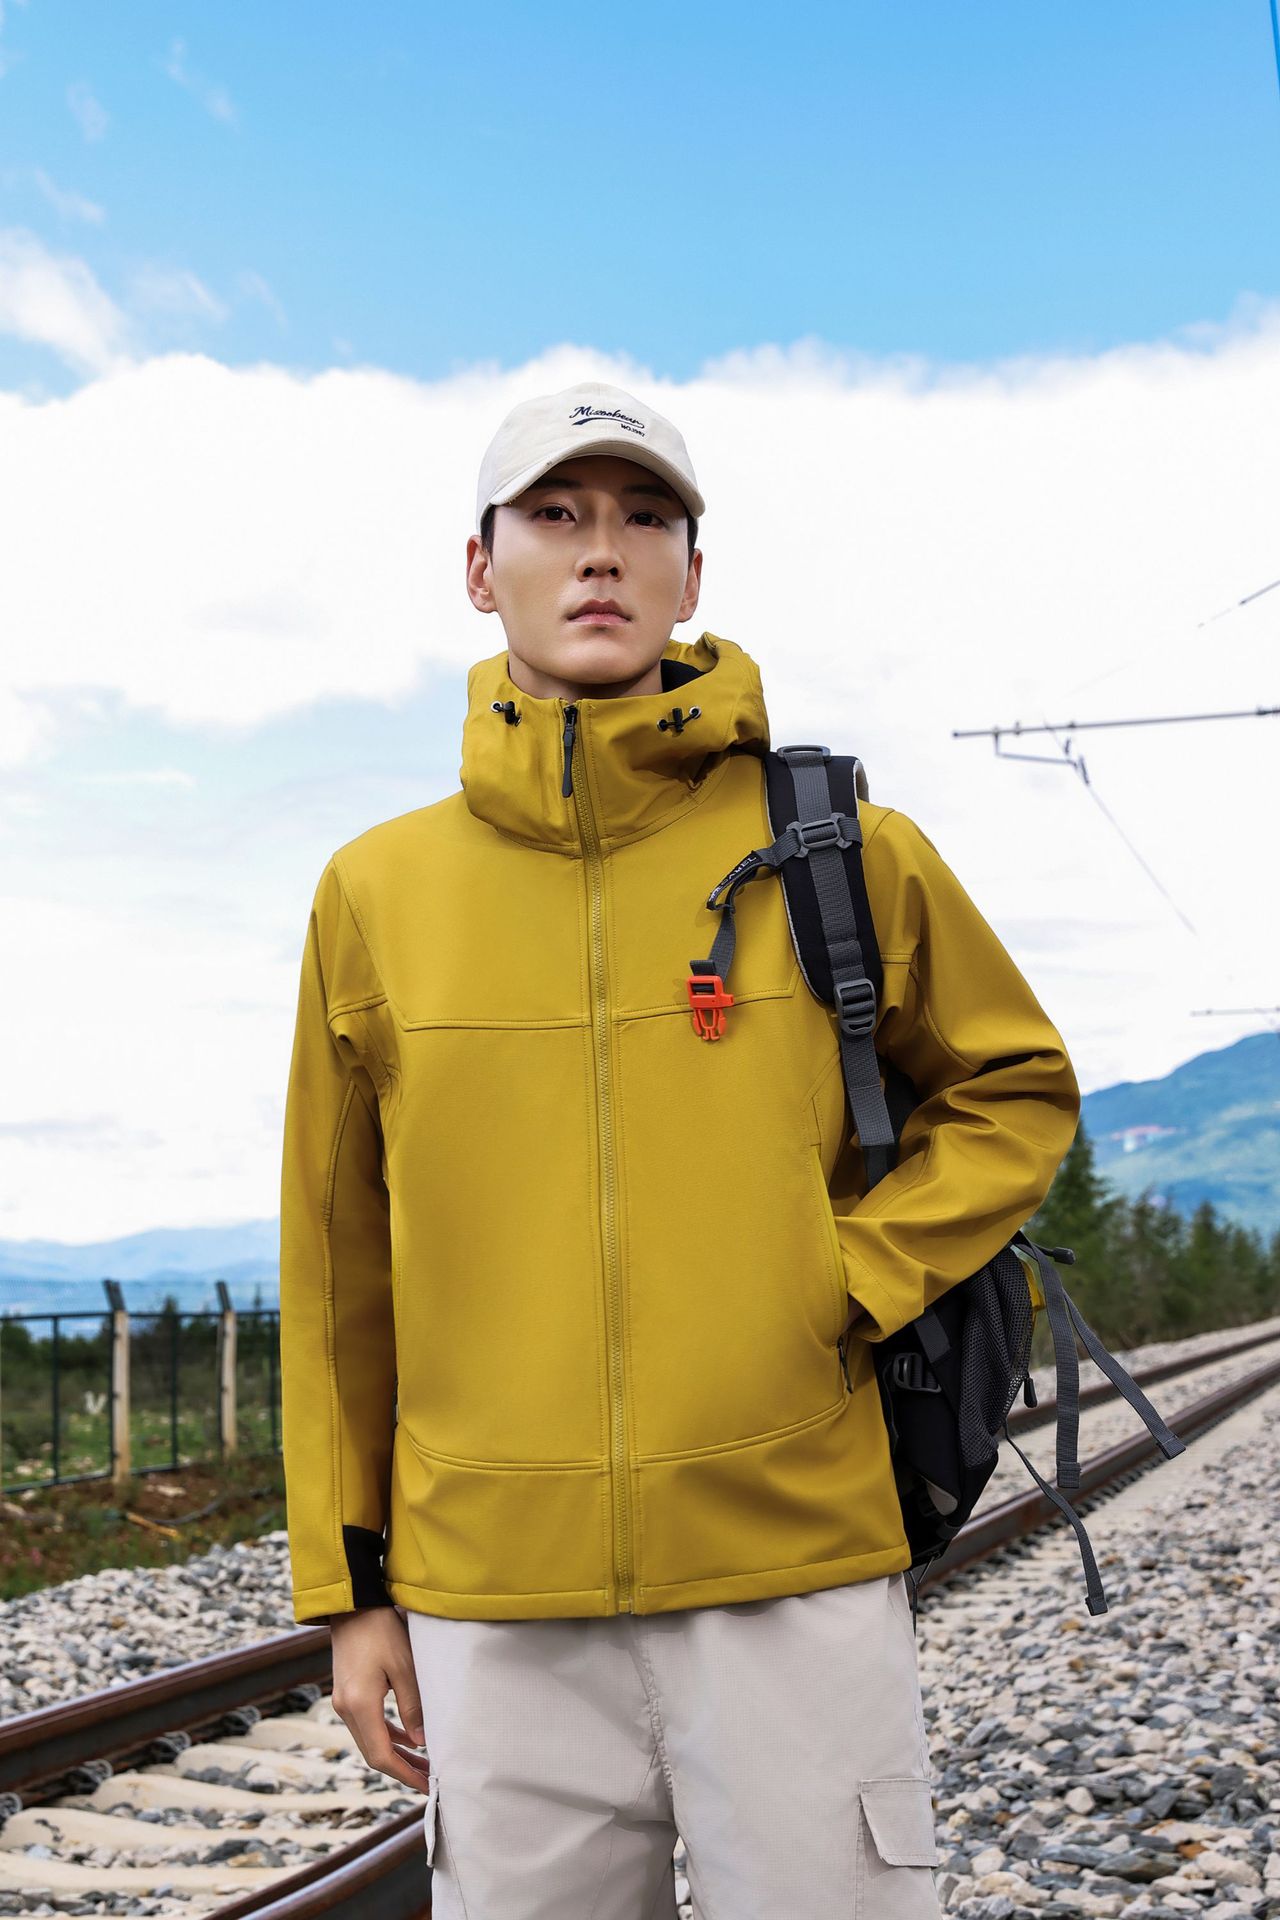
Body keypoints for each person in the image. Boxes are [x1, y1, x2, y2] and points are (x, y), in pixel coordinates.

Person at [278, 378, 1082, 1916]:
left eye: (646, 518)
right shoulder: (374, 893)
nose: (603, 550)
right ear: (480, 568)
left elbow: (1015, 1088)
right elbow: (336, 1270)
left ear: (692, 576)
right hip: (493, 1601)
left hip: (795, 1562)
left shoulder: (840, 848)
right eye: (557, 514)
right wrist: (351, 1590)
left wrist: (841, 1277)